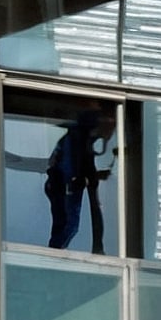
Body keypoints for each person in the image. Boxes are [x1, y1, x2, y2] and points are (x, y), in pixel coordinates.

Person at [44, 105, 115, 254]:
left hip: (64, 184)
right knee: (69, 225)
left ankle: (55, 253)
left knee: (68, 225)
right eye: (110, 125)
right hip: (64, 186)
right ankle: (55, 254)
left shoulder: (81, 141)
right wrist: (79, 181)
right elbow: (70, 168)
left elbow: (82, 168)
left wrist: (94, 177)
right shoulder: (76, 140)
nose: (111, 132)